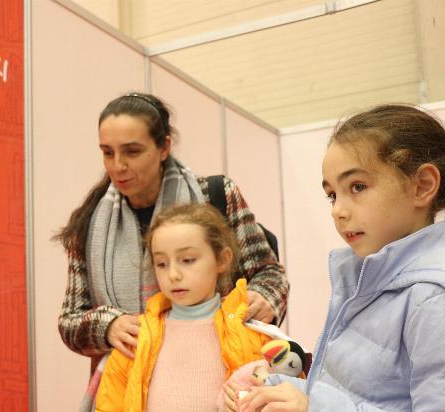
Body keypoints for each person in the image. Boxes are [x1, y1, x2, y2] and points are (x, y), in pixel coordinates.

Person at [235, 105, 445, 412]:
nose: (338, 210)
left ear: (422, 185)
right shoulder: (366, 284)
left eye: (357, 186)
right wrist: (279, 399)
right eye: (332, 194)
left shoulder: (438, 299)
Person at [56, 92, 288, 371]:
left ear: (163, 147)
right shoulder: (90, 221)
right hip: (123, 389)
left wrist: (262, 297)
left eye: (132, 151)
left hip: (220, 377)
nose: (118, 165)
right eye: (108, 153)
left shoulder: (214, 195)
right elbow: (70, 320)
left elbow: (271, 275)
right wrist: (108, 326)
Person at [87, 203, 290, 412]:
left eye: (188, 260)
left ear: (222, 260)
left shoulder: (256, 338)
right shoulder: (135, 340)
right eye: (161, 263)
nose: (173, 274)